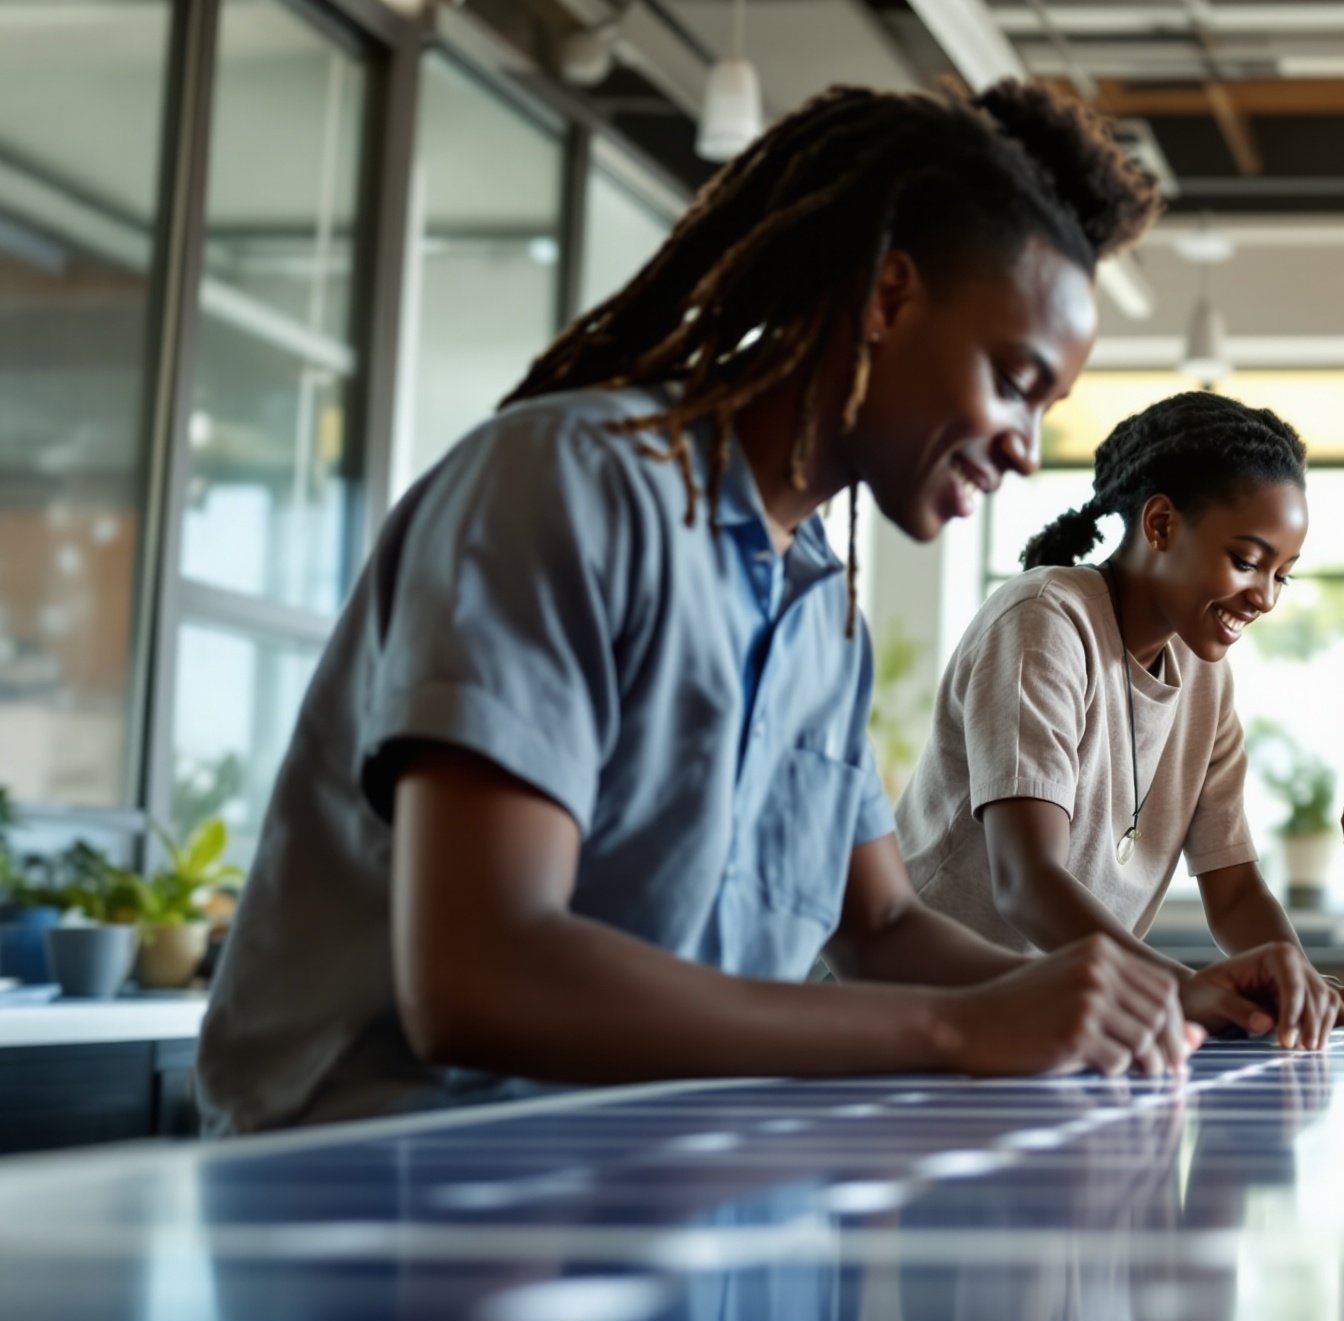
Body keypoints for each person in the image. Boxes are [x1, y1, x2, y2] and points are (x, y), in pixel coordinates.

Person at [197, 79, 1194, 1135]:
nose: (1025, 449)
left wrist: (1138, 1001)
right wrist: (955, 1033)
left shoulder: (822, 607)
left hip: (643, 1167)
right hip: (392, 1198)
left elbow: (887, 926)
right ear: (888, 298)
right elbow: (481, 974)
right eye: (1015, 380)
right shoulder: (566, 485)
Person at [893, 390, 1344, 1049]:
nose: (1264, 596)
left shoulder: (1204, 675)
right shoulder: (1042, 620)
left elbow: (1232, 889)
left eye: (1282, 574)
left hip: (1047, 1028)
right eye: (1247, 560)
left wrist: (1302, 986)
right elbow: (1026, 883)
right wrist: (1181, 989)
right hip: (904, 1013)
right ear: (1162, 524)